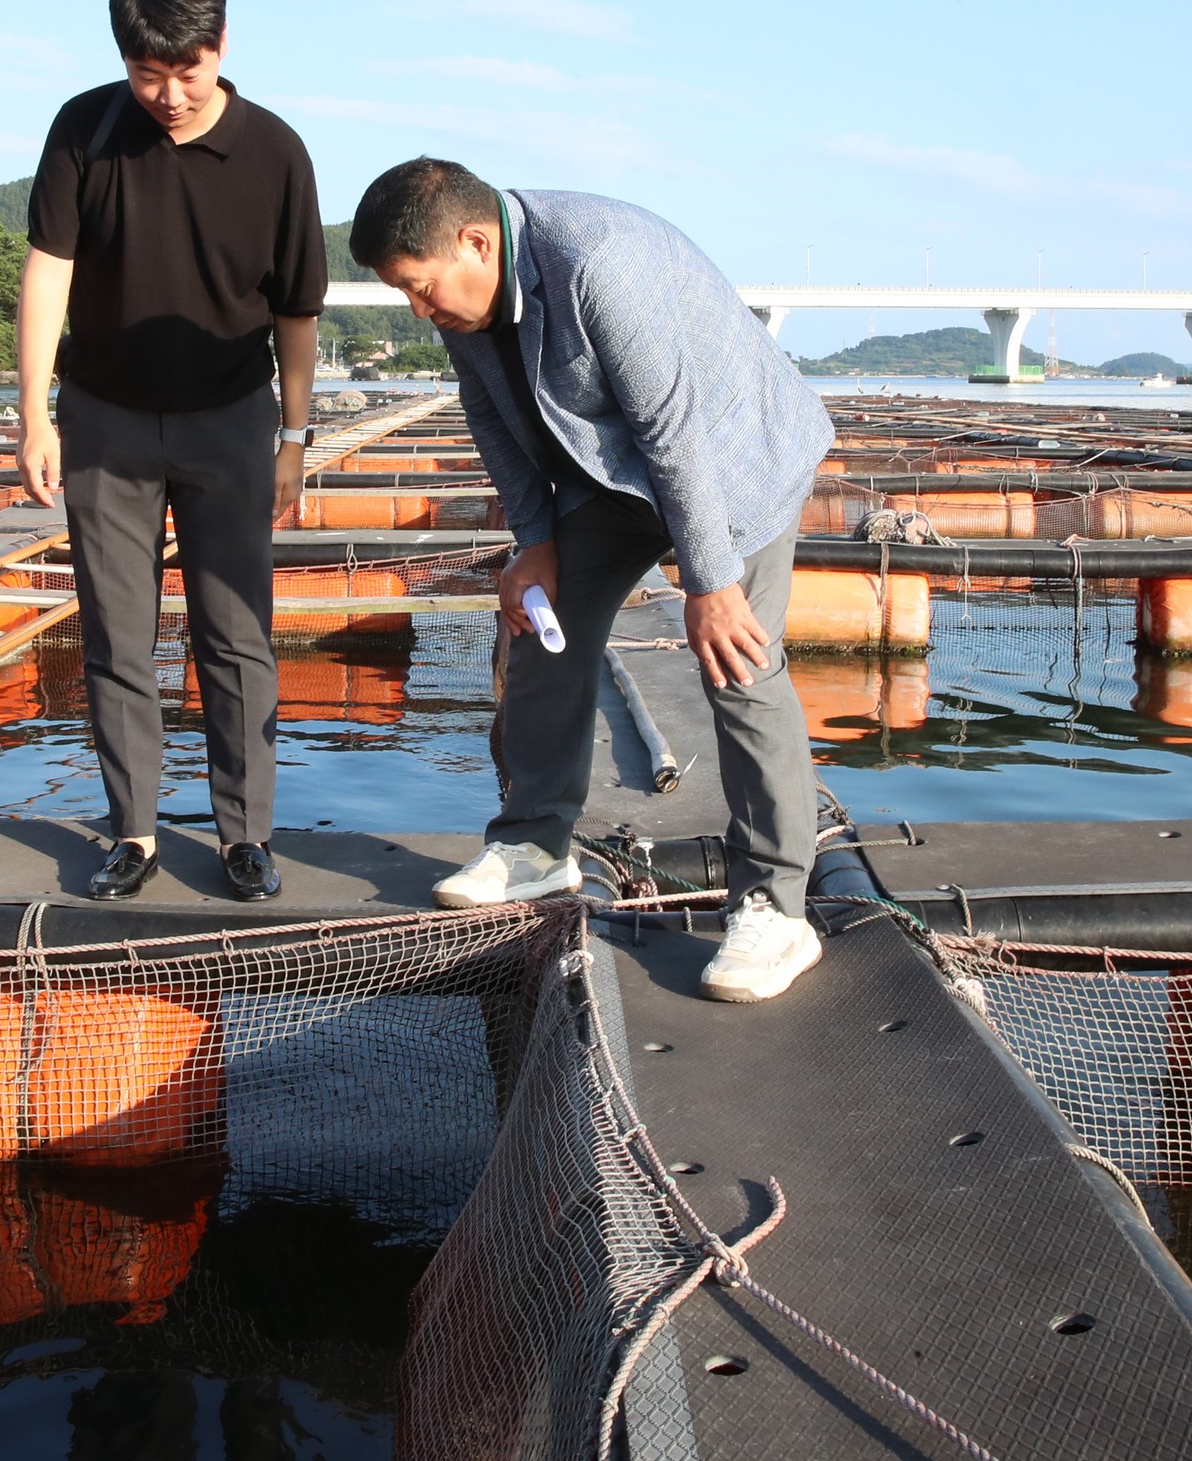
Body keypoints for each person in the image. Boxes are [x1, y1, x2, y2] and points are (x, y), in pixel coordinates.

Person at [347, 159, 835, 1001]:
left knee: (738, 658)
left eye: (422, 289)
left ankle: (776, 909)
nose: (421, 310)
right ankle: (536, 846)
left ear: (476, 241)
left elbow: (671, 426)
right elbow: (491, 416)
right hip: (610, 471)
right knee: (543, 623)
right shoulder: (464, 295)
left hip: (730, 455)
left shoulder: (599, 262)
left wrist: (708, 582)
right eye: (407, 295)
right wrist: (534, 541)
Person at [16, 0, 325, 903]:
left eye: (187, 73)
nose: (169, 95)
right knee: (116, 632)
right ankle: (135, 834)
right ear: (124, 60)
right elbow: (48, 270)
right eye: (148, 73)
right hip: (105, 419)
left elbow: (297, 317)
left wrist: (294, 440)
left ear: (222, 48)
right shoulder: (87, 126)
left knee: (236, 636)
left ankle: (245, 836)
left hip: (230, 421)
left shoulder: (276, 152)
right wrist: (33, 410)